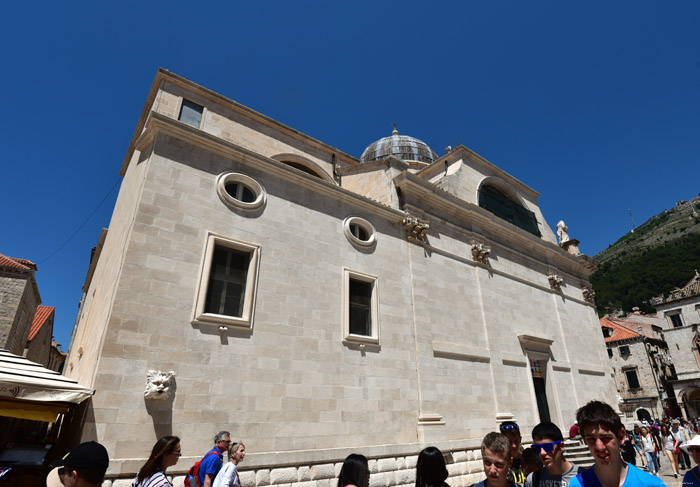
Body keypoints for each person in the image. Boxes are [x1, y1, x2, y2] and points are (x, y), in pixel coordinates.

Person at [569, 400, 665, 487]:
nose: (599, 447)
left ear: (621, 436)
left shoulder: (651, 484)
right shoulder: (577, 484)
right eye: (591, 439)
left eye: (606, 438)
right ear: (584, 439)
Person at [524, 422, 578, 487]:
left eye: (548, 447)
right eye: (537, 448)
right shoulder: (533, 479)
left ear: (561, 446)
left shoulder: (583, 477)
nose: (542, 453)